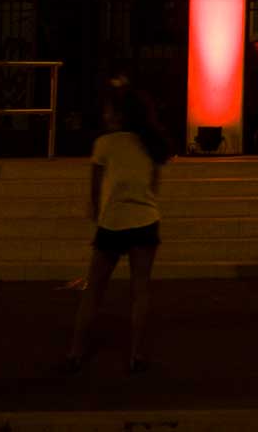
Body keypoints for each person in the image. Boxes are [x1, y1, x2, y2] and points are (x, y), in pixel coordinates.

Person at [65, 89, 171, 373]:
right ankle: (136, 354)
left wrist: (97, 216)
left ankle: (76, 351)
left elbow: (95, 190)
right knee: (140, 289)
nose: (105, 114)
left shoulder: (104, 144)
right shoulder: (150, 144)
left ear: (119, 114)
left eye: (109, 110)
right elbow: (153, 185)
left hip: (112, 222)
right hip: (145, 219)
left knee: (94, 290)